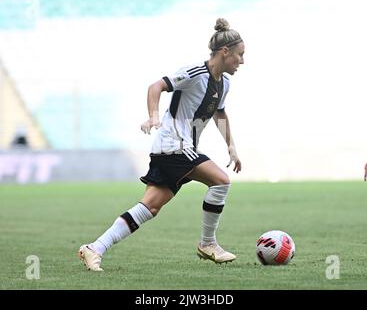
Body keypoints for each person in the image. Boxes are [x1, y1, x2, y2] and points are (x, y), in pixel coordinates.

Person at [78, 18, 245, 271]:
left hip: (177, 149)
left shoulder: (225, 84)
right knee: (220, 181)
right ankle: (207, 243)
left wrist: (231, 146)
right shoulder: (194, 73)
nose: (242, 61)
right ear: (225, 52)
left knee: (150, 207)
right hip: (173, 145)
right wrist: (154, 116)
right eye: (240, 55)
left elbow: (219, 113)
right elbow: (156, 86)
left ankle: (94, 248)